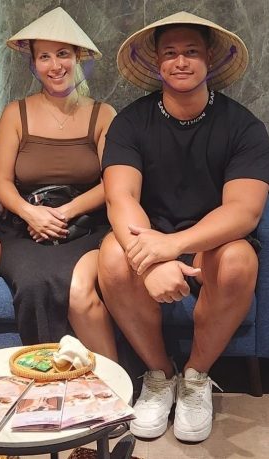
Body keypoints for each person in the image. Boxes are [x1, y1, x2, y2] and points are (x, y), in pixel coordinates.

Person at [99, 11, 269, 442]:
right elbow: (122, 198)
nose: (180, 61)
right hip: (147, 235)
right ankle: (159, 376)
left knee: (238, 261)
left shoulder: (244, 126)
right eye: (170, 53)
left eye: (191, 52)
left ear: (209, 59)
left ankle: (196, 378)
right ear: (156, 62)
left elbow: (244, 211)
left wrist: (171, 247)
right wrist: (151, 261)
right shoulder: (130, 122)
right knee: (113, 258)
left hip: (211, 240)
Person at [0, 7, 117, 360]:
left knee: (73, 283)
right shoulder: (16, 113)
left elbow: (113, 182)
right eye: (44, 56)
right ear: (33, 64)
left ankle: (109, 381)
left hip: (87, 225)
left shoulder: (102, 114)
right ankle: (47, 377)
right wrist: (31, 214)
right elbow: (1, 182)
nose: (55, 65)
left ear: (78, 57)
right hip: (24, 227)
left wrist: (63, 212)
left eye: (63, 54)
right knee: (32, 281)